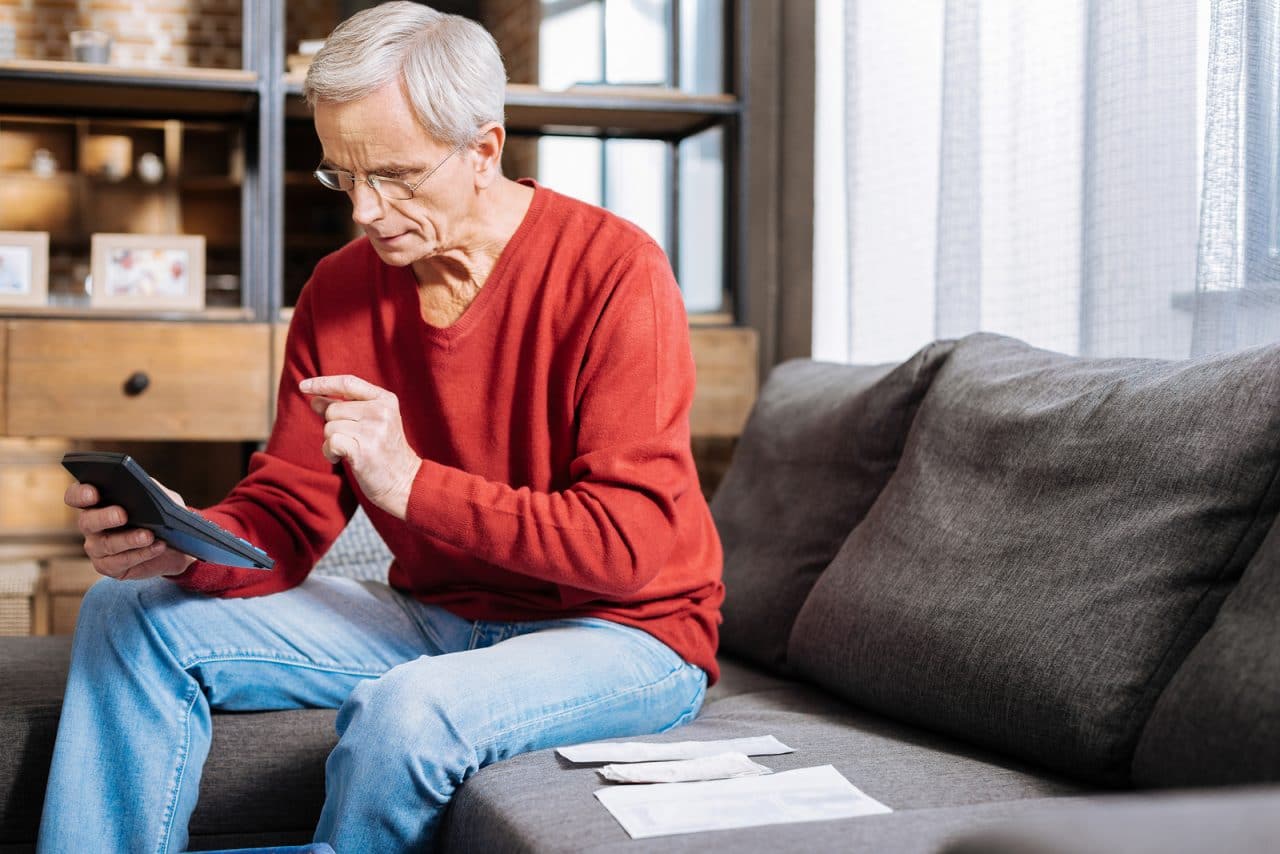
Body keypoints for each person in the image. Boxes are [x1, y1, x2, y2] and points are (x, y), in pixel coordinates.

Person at [36, 3, 723, 851]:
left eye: (395, 176)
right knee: (123, 607)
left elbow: (630, 546)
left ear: (483, 150)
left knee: (411, 708)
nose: (364, 209)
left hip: (622, 632)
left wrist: (412, 485)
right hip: (435, 616)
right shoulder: (339, 289)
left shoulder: (616, 271)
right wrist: (188, 544)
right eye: (342, 176)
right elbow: (287, 512)